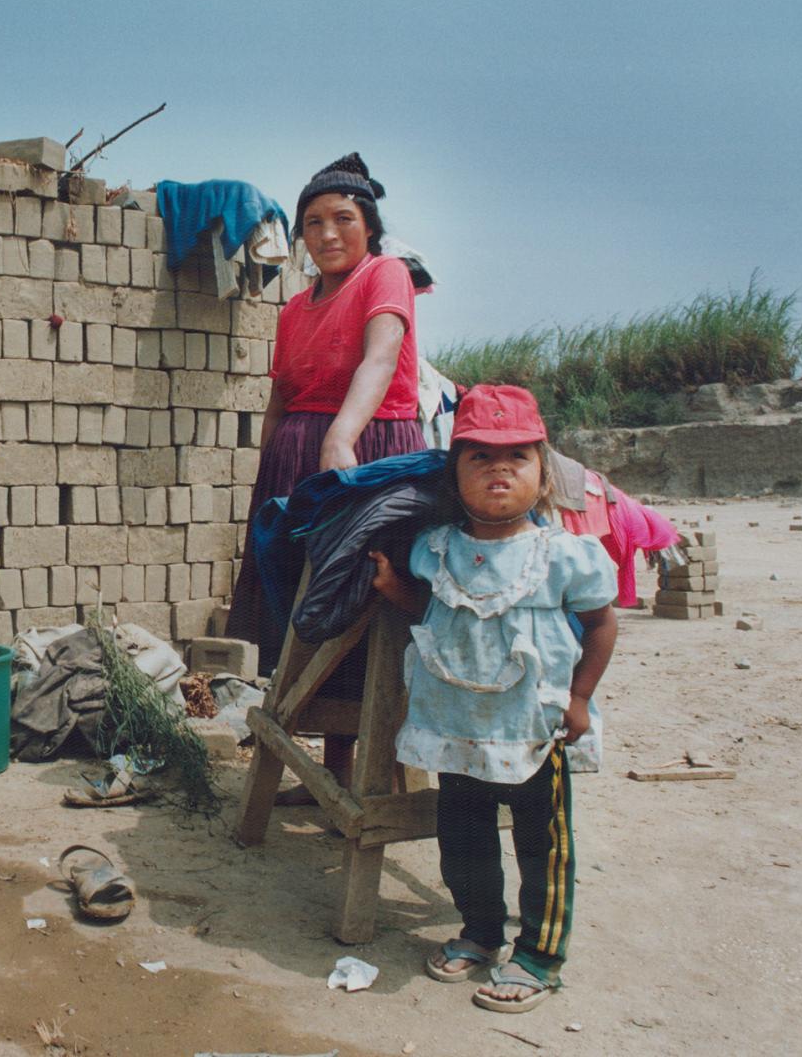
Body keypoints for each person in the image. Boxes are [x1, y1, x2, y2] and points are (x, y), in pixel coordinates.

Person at [368, 384, 619, 1014]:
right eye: (479, 457)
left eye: (517, 458)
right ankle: (481, 931)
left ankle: (538, 955)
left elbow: (602, 627)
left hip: (536, 727)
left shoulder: (563, 557)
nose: (499, 470)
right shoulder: (437, 549)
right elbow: (436, 613)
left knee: (543, 842)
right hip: (457, 725)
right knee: (464, 835)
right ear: (455, 475)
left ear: (544, 473)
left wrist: (581, 700)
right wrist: (394, 587)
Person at [227, 153, 427, 669]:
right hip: (296, 465)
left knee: (365, 589)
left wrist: (340, 438)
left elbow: (380, 359)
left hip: (367, 456)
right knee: (296, 593)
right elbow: (280, 401)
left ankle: (363, 733)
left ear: (369, 227)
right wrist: (266, 471)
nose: (328, 234)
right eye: (313, 224)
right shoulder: (294, 309)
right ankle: (315, 726)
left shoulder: (385, 274)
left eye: (344, 219)